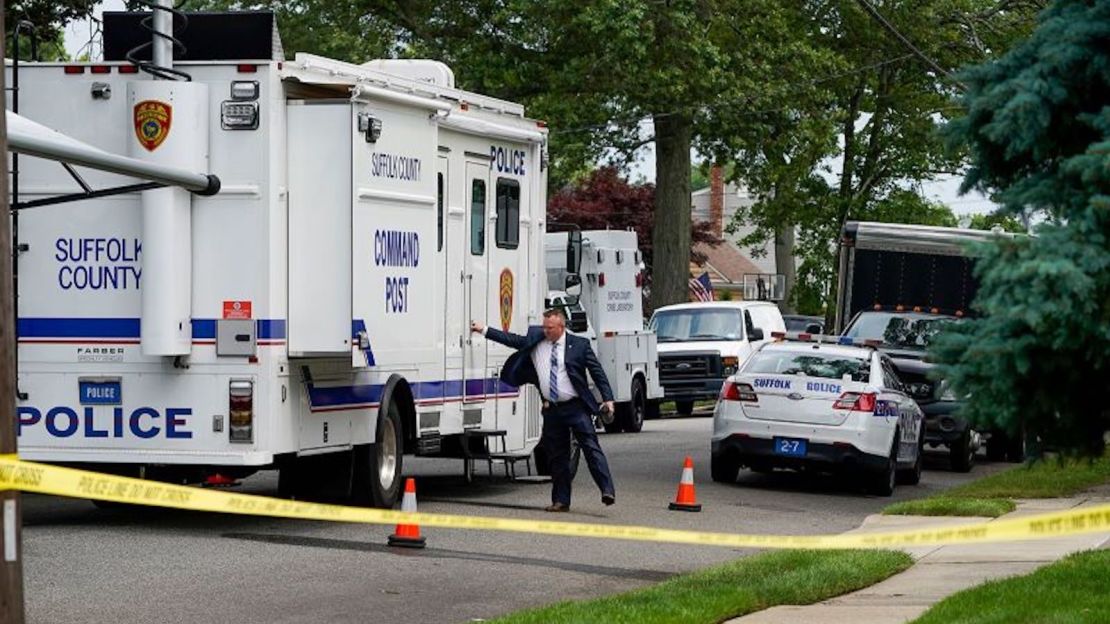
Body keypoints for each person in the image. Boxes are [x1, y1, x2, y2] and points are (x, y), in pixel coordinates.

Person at [471, 309, 616, 512]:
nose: (545, 330)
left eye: (550, 328)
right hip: (552, 409)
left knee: (591, 447)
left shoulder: (580, 345)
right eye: (544, 326)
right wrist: (484, 330)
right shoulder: (536, 340)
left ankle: (607, 490)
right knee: (557, 457)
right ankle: (561, 500)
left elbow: (597, 372)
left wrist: (608, 399)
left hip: (575, 406)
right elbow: (511, 339)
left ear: (561, 327)